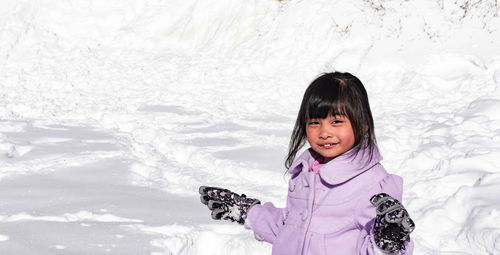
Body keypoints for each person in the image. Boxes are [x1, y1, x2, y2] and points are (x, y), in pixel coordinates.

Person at [199, 72, 415, 254]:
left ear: (363, 125)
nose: (324, 132)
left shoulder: (373, 185)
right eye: (314, 122)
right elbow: (293, 228)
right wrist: (249, 213)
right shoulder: (306, 173)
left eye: (337, 121)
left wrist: (389, 243)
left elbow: (376, 247)